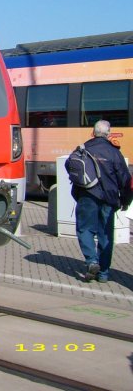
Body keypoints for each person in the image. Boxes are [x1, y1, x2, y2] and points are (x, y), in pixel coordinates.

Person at [68, 120, 131, 283]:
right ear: (108, 134)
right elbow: (125, 180)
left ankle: (91, 261)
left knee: (85, 230)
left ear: (92, 133)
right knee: (105, 235)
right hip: (109, 199)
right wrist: (126, 200)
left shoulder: (83, 149)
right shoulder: (114, 153)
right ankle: (103, 273)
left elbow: (71, 168)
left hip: (87, 196)